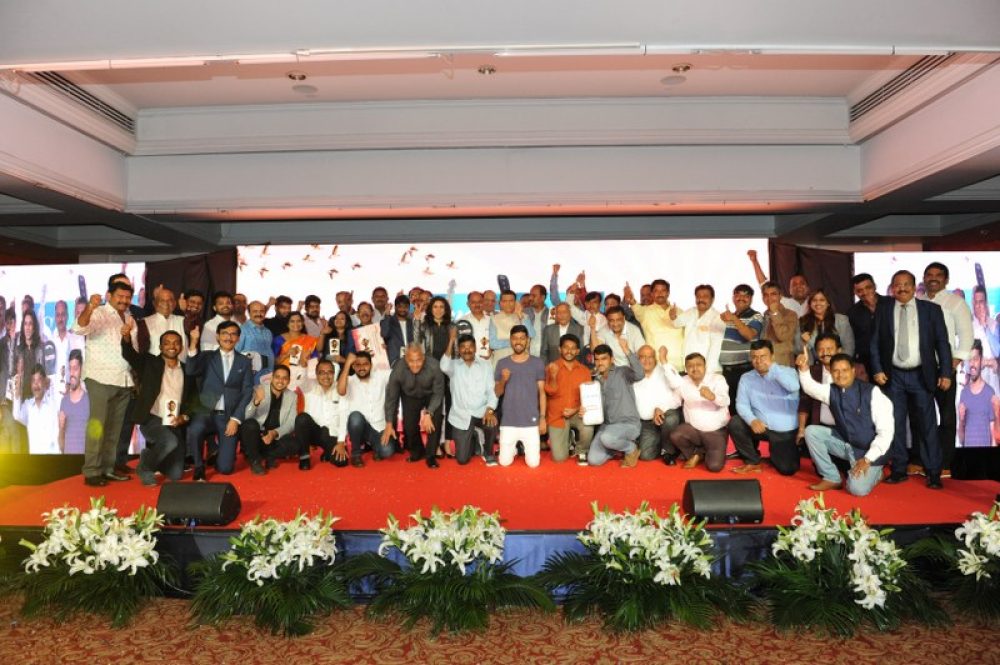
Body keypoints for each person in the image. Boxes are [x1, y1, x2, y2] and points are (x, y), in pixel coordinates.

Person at [870, 269, 953, 489]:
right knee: (895, 423)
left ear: (915, 287)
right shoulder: (884, 309)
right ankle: (899, 469)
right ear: (892, 288)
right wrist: (877, 369)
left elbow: (942, 343)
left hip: (921, 375)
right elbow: (875, 342)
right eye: (898, 285)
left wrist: (945, 372)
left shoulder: (931, 310)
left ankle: (933, 472)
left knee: (927, 425)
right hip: (893, 375)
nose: (902, 288)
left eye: (906, 284)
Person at [797, 350, 893, 496]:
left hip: (868, 451)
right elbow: (811, 388)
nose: (840, 375)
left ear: (853, 371)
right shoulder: (832, 390)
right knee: (811, 432)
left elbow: (886, 433)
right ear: (831, 372)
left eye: (844, 370)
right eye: (836, 371)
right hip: (845, 444)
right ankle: (831, 477)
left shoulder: (873, 393)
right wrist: (804, 369)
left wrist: (868, 459)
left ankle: (877, 473)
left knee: (856, 490)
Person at [72, 282, 137, 487]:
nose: (124, 300)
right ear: (109, 295)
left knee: (114, 429)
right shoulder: (99, 313)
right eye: (120, 296)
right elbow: (79, 327)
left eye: (127, 297)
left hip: (123, 379)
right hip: (100, 378)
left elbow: (132, 350)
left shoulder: (129, 318)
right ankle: (92, 471)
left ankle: (108, 469)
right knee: (98, 427)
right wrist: (90, 307)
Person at [918, 261, 973, 477]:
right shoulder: (918, 302)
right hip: (920, 369)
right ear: (924, 278)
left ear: (946, 279)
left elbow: (966, 336)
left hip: (945, 368)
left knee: (947, 417)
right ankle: (923, 461)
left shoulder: (956, 303)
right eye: (929, 274)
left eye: (938, 275)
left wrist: (951, 366)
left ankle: (945, 464)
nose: (933, 278)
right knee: (922, 417)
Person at [121, 329, 195, 486]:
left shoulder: (187, 370)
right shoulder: (149, 363)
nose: (172, 346)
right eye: (167, 343)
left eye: (176, 343)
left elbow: (192, 401)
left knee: (176, 474)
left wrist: (184, 417)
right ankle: (145, 467)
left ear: (181, 347)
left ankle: (156, 458)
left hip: (174, 422)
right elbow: (130, 355)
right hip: (151, 418)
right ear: (160, 347)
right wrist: (126, 337)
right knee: (169, 442)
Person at [185, 321, 254, 481]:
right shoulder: (207, 356)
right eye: (224, 333)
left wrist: (236, 419)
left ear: (238, 338)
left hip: (228, 416)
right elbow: (190, 369)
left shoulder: (244, 361)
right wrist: (193, 342)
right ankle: (199, 466)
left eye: (233, 334)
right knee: (195, 429)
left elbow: (247, 391)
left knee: (225, 469)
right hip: (204, 410)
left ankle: (220, 456)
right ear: (217, 336)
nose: (229, 337)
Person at [729, 339, 801, 476]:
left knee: (787, 469)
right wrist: (752, 420)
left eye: (763, 356)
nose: (758, 361)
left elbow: (793, 387)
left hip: (783, 430)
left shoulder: (788, 372)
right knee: (735, 423)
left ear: (772, 356)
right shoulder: (746, 378)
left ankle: (777, 454)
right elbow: (741, 404)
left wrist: (773, 369)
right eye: (754, 357)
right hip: (760, 426)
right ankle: (752, 461)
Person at [666, 351, 731, 471]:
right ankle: (697, 454)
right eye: (690, 366)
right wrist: (660, 408)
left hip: (715, 431)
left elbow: (726, 401)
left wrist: (713, 397)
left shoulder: (717, 379)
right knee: (676, 435)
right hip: (693, 430)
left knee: (714, 467)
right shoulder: (683, 381)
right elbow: (674, 401)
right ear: (686, 369)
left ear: (705, 366)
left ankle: (701, 452)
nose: (694, 368)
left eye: (698, 365)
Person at [441, 332, 499, 465]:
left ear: (475, 348)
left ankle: (488, 452)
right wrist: (451, 340)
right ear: (458, 350)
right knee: (462, 459)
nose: (467, 350)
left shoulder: (486, 365)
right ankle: (473, 436)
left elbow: (491, 391)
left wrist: (490, 410)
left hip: (481, 412)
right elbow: (443, 365)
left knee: (492, 422)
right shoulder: (453, 366)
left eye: (470, 346)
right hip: (461, 415)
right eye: (463, 347)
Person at [382, 342, 445, 468]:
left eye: (419, 360)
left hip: (431, 395)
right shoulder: (398, 369)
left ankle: (431, 455)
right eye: (411, 361)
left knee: (435, 420)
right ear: (405, 358)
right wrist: (389, 422)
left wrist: (429, 412)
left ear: (424, 357)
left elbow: (438, 393)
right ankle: (418, 452)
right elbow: (391, 398)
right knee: (409, 427)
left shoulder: (434, 366)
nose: (415, 365)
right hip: (410, 396)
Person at [584, 339, 643, 468]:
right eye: (597, 359)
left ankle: (631, 448)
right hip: (607, 427)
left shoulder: (623, 372)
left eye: (604, 359)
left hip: (628, 424)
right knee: (593, 460)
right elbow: (594, 407)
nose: (600, 362)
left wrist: (627, 351)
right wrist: (585, 410)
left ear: (611, 359)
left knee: (607, 438)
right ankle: (616, 447)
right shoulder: (595, 381)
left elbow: (640, 374)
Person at [494, 325, 546, 467]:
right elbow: (497, 392)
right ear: (510, 340)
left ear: (527, 340)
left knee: (533, 464)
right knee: (504, 462)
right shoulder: (502, 363)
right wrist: (503, 380)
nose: (518, 341)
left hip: (531, 422)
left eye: (522, 338)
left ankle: (520, 448)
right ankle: (514, 450)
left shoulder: (537, 362)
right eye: (515, 338)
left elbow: (542, 393)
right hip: (509, 421)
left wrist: (542, 418)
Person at [241, 364, 304, 473]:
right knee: (250, 425)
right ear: (272, 378)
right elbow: (246, 417)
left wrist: (274, 433)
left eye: (284, 378)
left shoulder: (292, 396)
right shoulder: (258, 389)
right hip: (257, 435)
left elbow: (291, 422)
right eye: (277, 377)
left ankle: (267, 455)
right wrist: (256, 402)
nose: (280, 381)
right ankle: (255, 461)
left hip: (274, 437)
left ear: (289, 381)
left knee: (297, 444)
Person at [543, 333, 594, 465]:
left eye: (573, 348)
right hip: (557, 415)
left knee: (588, 426)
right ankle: (569, 439)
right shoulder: (551, 367)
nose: (569, 351)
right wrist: (553, 376)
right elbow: (549, 392)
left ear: (578, 351)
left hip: (577, 413)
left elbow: (588, 397)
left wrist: (576, 409)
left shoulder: (584, 371)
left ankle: (581, 450)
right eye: (566, 347)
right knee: (559, 458)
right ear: (560, 349)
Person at [338, 351, 396, 465]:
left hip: (379, 427)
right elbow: (340, 391)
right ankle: (356, 454)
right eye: (358, 365)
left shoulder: (381, 376)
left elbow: (398, 372)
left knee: (387, 451)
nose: (362, 368)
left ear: (371, 365)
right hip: (359, 427)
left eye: (365, 364)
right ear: (353, 366)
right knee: (355, 417)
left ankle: (373, 446)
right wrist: (347, 363)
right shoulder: (349, 380)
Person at [632, 344, 682, 463]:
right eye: (642, 357)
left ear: (655, 358)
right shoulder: (633, 375)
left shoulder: (665, 369)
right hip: (647, 423)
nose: (647, 360)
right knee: (646, 455)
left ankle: (668, 451)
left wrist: (664, 361)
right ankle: (663, 441)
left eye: (650, 357)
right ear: (637, 359)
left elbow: (678, 385)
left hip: (666, 415)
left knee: (671, 420)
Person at [719, 284, 764, 413]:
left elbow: (749, 335)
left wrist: (734, 319)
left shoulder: (756, 316)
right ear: (733, 298)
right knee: (730, 408)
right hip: (726, 372)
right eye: (738, 294)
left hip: (745, 370)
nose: (741, 298)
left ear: (751, 299)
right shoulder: (727, 318)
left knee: (746, 408)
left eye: (746, 295)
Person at [625, 279, 685, 372]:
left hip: (680, 366)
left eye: (663, 290)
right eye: (656, 291)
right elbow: (635, 306)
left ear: (668, 293)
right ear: (652, 294)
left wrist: (674, 318)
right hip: (657, 368)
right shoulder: (645, 312)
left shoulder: (680, 312)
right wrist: (631, 300)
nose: (660, 293)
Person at [795, 332, 845, 444]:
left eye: (829, 349)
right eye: (820, 350)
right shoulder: (812, 372)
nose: (825, 353)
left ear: (839, 350)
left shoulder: (850, 372)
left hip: (845, 431)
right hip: (819, 428)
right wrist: (801, 430)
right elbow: (804, 403)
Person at [295, 359, 343, 465]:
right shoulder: (309, 386)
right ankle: (304, 457)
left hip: (331, 433)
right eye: (322, 373)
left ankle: (327, 452)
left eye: (329, 372)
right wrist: (303, 365)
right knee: (302, 418)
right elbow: (301, 380)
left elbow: (345, 417)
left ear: (334, 374)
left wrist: (341, 442)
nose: (326, 376)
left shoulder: (340, 388)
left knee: (341, 461)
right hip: (313, 431)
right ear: (316, 375)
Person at [670, 284, 726, 373]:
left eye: (705, 296)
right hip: (690, 367)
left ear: (712, 299)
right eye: (698, 296)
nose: (701, 299)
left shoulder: (718, 318)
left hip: (708, 370)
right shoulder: (691, 312)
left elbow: (715, 347)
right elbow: (677, 323)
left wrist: (708, 372)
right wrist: (673, 317)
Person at [847, 273, 891, 380]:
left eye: (868, 287)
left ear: (875, 286)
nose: (865, 292)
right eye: (860, 290)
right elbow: (852, 341)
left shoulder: (891, 303)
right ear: (855, 292)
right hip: (867, 364)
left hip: (893, 361)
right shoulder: (852, 313)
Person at [959, 341, 1000, 448]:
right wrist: (961, 420)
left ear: (981, 361)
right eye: (970, 359)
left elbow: (994, 439)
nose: (972, 364)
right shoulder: (964, 394)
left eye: (975, 359)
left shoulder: (989, 392)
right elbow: (961, 440)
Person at [12, 364, 59, 454]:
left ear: (44, 382)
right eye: (33, 380)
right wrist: (18, 387)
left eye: (39, 380)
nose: (36, 384)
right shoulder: (28, 406)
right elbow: (16, 415)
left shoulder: (53, 404)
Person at [747, 249, 810, 317]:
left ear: (808, 288)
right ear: (790, 290)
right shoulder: (784, 302)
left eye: (802, 283)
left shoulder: (814, 302)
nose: (798, 286)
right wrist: (754, 261)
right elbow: (764, 284)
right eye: (794, 284)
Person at [798, 288, 855, 361]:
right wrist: (805, 343)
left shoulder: (841, 320)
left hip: (838, 363)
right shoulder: (803, 321)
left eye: (822, 300)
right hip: (813, 364)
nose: (818, 303)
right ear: (810, 303)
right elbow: (797, 349)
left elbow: (849, 348)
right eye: (814, 300)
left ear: (828, 303)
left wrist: (838, 363)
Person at [138, 287, 187, 360]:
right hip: (155, 365)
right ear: (154, 303)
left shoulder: (183, 320)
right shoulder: (144, 323)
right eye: (162, 300)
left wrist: (185, 311)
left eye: (169, 300)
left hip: (180, 365)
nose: (166, 303)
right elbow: (141, 352)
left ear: (174, 303)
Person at [490, 290, 535, 364]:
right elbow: (493, 344)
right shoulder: (494, 319)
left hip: (522, 360)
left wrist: (520, 316)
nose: (508, 304)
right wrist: (517, 342)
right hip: (501, 360)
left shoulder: (524, 316)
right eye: (505, 301)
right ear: (500, 303)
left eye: (511, 301)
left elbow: (531, 335)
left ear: (516, 302)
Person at [760, 281, 798, 367]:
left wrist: (775, 313)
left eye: (773, 294)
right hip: (764, 364)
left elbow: (783, 336)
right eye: (766, 295)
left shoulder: (790, 314)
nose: (769, 298)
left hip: (783, 364)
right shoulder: (765, 314)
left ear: (780, 296)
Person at [58, 349, 89, 454]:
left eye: (75, 369)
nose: (71, 373)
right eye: (70, 368)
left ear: (81, 370)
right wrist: (61, 428)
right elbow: (61, 446)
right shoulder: (64, 402)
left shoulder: (89, 401)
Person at [971, 285, 1000, 395]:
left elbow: (997, 351)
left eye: (981, 302)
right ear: (973, 303)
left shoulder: (993, 324)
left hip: (992, 377)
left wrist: (985, 327)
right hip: (976, 377)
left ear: (986, 303)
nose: (978, 306)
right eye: (976, 302)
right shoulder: (969, 326)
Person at [235, 300, 274, 382]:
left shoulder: (268, 332)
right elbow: (235, 353)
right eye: (255, 311)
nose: (259, 314)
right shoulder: (242, 330)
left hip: (267, 376)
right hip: (249, 377)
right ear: (249, 313)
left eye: (261, 311)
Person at [380, 294, 416, 366]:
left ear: (409, 308)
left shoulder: (412, 322)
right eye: (400, 307)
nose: (402, 309)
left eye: (405, 307)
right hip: (395, 361)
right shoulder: (388, 321)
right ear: (395, 307)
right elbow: (384, 334)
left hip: (411, 359)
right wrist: (387, 315)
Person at [458, 291, 493, 361]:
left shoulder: (492, 320)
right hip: (468, 362)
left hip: (489, 362)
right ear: (468, 304)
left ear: (483, 302)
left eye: (479, 302)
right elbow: (457, 343)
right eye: (473, 302)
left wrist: (492, 350)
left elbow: (495, 340)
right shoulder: (462, 322)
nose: (477, 305)